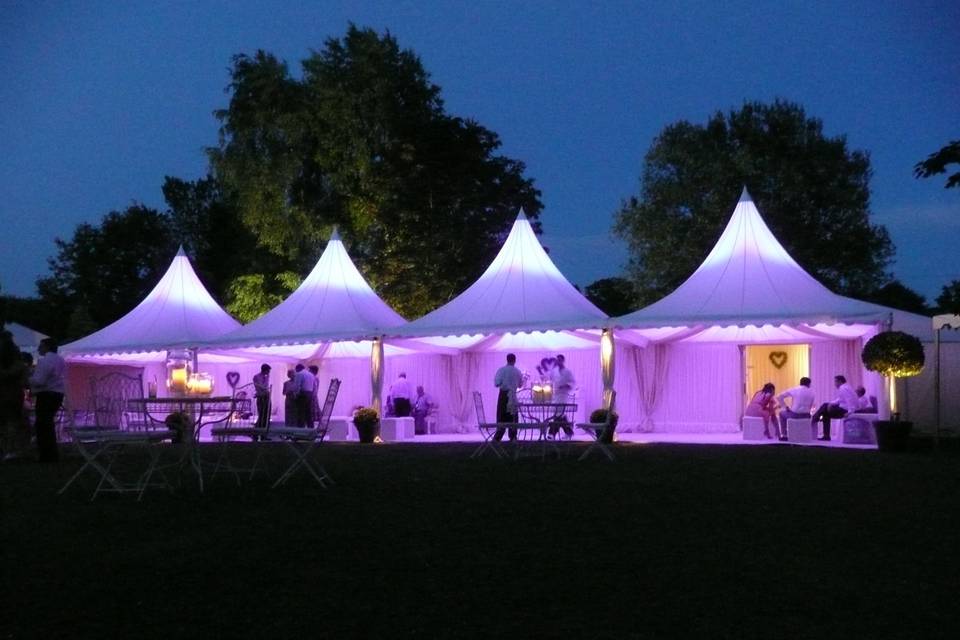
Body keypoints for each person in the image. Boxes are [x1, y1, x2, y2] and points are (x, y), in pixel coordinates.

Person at [29, 338, 66, 463]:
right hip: (58, 394)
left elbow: (39, 381)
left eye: (41, 346)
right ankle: (52, 454)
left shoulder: (45, 361)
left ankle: (46, 456)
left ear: (47, 347)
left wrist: (29, 379)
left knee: (42, 425)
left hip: (46, 395)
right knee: (48, 424)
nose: (39, 349)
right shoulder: (61, 361)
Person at [1, 335, 29, 460]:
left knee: (6, 423)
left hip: (6, 394)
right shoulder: (20, 366)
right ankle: (12, 450)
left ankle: (6, 449)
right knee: (13, 422)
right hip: (14, 395)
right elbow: (24, 382)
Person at [811, 374, 859, 441]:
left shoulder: (843, 388)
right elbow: (840, 399)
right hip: (844, 409)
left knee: (825, 406)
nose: (835, 384)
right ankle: (826, 436)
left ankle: (814, 419)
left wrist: (849, 412)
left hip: (845, 411)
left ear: (840, 381)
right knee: (825, 414)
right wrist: (831, 403)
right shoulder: (846, 387)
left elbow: (850, 400)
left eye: (835, 382)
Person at [493, 353, 522, 441]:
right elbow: (520, 385)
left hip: (503, 395)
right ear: (514, 360)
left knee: (501, 416)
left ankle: (498, 436)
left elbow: (496, 383)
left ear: (507, 360)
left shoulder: (501, 370)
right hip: (513, 395)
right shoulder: (518, 371)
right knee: (513, 417)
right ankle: (513, 436)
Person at [776, 377, 815, 441]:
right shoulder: (812, 392)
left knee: (781, 413)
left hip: (795, 415)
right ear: (809, 384)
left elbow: (779, 396)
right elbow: (811, 406)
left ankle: (784, 435)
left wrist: (785, 407)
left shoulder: (795, 389)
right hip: (807, 416)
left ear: (800, 383)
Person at [548, 354, 576, 438]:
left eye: (560, 360)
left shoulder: (567, 372)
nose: (558, 362)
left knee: (558, 415)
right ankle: (569, 432)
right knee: (559, 416)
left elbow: (572, 383)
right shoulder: (554, 371)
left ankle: (551, 434)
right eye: (557, 360)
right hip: (555, 395)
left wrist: (565, 386)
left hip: (563, 396)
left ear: (563, 361)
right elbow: (550, 379)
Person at [292, 364, 316, 428]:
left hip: (302, 395)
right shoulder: (311, 375)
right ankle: (310, 429)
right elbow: (314, 386)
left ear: (297, 369)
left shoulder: (299, 374)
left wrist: (295, 394)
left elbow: (297, 386)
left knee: (300, 413)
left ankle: (300, 431)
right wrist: (313, 395)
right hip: (310, 394)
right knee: (309, 413)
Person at [252, 364, 271, 432]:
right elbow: (261, 387)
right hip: (261, 397)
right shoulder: (256, 377)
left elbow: (266, 387)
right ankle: (256, 431)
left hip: (267, 396)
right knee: (261, 415)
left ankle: (264, 433)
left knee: (267, 415)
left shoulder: (266, 377)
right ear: (265, 370)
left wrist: (267, 378)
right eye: (268, 371)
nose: (269, 372)